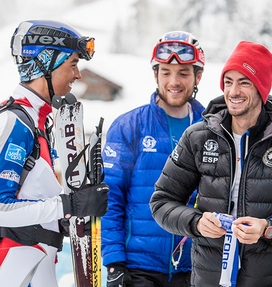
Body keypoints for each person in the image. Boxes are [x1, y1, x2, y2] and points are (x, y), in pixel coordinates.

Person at [150, 40, 272, 287]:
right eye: (228, 81)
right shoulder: (198, 137)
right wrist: (196, 222)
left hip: (271, 281)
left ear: (261, 87)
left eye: (244, 82)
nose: (233, 91)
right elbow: (161, 201)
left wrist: (270, 228)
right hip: (209, 280)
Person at [0, 20, 109, 287]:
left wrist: (65, 218)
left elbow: (31, 199)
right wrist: (67, 206)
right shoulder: (13, 123)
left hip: (37, 265)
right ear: (45, 65)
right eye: (72, 64)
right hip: (13, 268)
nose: (78, 75)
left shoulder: (40, 123)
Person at [101, 31, 206, 287]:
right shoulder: (129, 126)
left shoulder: (211, 128)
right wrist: (114, 261)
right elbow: (110, 196)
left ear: (197, 76)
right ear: (155, 74)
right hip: (140, 269)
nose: (174, 81)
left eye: (183, 73)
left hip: (196, 266)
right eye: (166, 72)